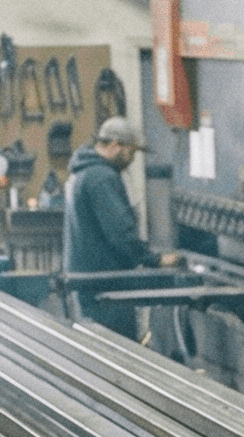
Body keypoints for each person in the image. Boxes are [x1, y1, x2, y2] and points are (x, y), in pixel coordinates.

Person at [62, 116, 180, 338]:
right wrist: (155, 260)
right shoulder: (101, 177)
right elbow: (119, 233)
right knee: (117, 349)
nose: (132, 159)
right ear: (116, 146)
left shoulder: (83, 172)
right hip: (106, 286)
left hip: (88, 282)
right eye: (131, 152)